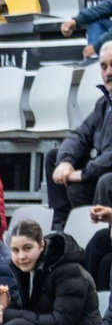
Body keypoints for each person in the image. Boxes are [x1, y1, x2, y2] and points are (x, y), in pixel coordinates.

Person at [47, 44, 112, 227]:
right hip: (100, 168)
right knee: (54, 157)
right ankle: (61, 225)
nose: (108, 72)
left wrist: (84, 173)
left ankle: (96, 233)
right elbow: (80, 135)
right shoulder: (104, 103)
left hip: (106, 173)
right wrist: (65, 162)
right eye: (103, 66)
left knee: (96, 183)